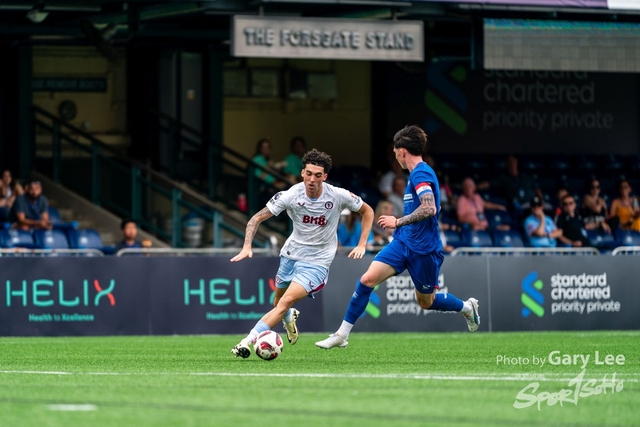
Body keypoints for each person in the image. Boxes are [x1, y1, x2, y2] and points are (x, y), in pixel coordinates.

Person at [315, 125, 480, 351]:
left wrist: (397, 221)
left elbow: (429, 208)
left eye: (395, 152)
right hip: (403, 243)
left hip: (424, 250)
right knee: (366, 280)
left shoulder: (421, 173)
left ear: (402, 152)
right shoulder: (417, 174)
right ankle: (341, 335)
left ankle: (467, 308)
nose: (394, 156)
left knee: (426, 302)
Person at [230, 149, 374, 358]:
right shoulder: (290, 195)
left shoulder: (337, 195)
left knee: (285, 301)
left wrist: (362, 245)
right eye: (308, 174)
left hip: (318, 261)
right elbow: (256, 218)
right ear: (302, 173)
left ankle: (246, 341)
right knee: (278, 303)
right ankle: (289, 318)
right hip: (291, 255)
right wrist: (247, 246)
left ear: (325, 176)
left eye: (317, 175)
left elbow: (367, 211)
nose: (312, 179)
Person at [478, 155, 543, 210]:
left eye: (513, 161)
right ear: (507, 164)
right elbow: (489, 184)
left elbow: (537, 190)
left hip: (533, 204)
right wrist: (475, 187)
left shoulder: (526, 177)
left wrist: (541, 201)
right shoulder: (503, 178)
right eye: (510, 162)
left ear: (517, 162)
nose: (512, 164)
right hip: (519, 207)